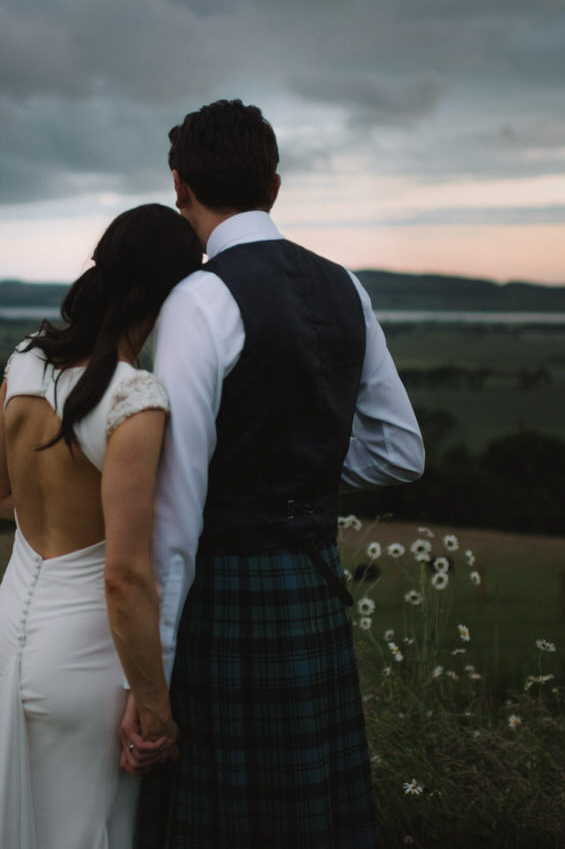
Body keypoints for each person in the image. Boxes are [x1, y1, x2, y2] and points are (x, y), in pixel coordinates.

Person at [130, 100, 426, 847]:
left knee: (223, 822)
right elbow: (400, 451)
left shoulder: (197, 300)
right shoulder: (344, 286)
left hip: (226, 595)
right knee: (307, 816)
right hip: (311, 581)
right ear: (275, 186)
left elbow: (177, 507)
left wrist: (151, 682)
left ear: (179, 187)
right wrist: (302, 467)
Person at [0, 203, 203, 849]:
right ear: (170, 295)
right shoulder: (133, 401)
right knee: (89, 831)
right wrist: (156, 709)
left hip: (8, 642)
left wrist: (51, 511)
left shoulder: (26, 362)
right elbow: (123, 577)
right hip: (84, 666)